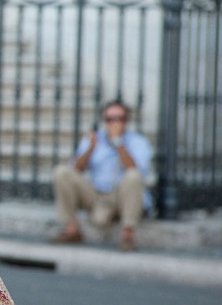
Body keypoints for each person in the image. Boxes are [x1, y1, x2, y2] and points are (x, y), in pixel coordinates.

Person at [51, 100, 153, 251]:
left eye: (119, 119)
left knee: (133, 176)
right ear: (104, 121)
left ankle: (127, 234)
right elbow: (76, 169)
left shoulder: (139, 142)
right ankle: (72, 229)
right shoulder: (95, 139)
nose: (114, 123)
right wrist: (91, 148)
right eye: (110, 119)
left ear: (126, 121)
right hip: (97, 195)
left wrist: (118, 142)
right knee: (62, 172)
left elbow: (136, 170)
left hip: (122, 197)